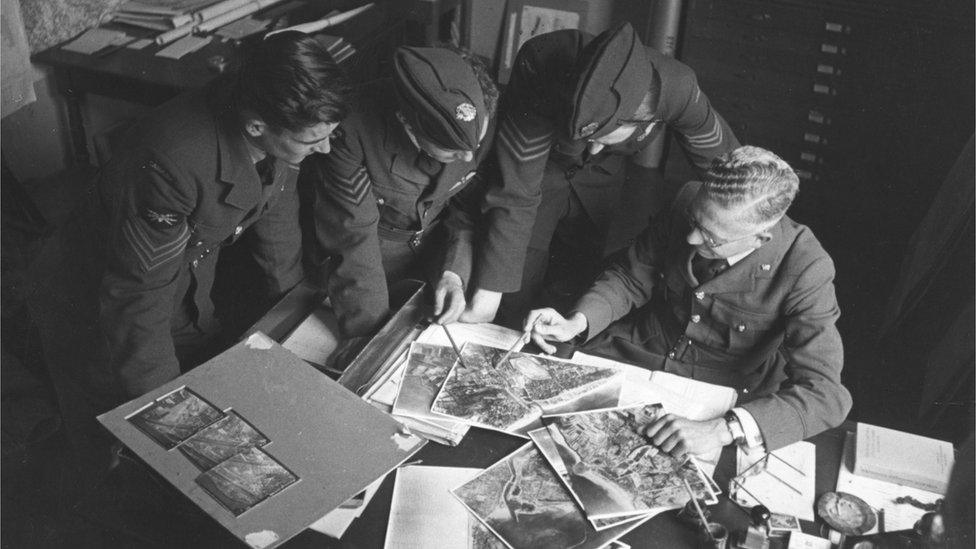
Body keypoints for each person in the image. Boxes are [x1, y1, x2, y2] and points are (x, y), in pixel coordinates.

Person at [525, 146, 852, 454]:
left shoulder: (804, 266)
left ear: (760, 238)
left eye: (711, 237)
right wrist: (577, 322)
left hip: (718, 390)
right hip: (636, 353)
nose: (691, 238)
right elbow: (631, 276)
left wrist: (721, 430)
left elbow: (824, 394)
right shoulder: (689, 198)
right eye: (695, 221)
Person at [97, 33, 350, 398]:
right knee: (119, 434)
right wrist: (161, 405)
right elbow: (138, 294)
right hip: (104, 311)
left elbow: (276, 218)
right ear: (256, 127)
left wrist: (293, 320)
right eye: (311, 142)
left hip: (186, 288)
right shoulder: (171, 164)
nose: (324, 148)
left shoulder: (279, 119)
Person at [449, 21, 739, 327]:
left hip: (602, 178)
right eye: (590, 138)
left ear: (648, 120)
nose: (593, 148)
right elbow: (516, 191)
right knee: (518, 281)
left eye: (604, 138)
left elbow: (733, 174)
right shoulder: (540, 63)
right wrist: (486, 301)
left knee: (578, 273)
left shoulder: (678, 88)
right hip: (543, 165)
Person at [304, 45, 498, 339]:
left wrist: (452, 274)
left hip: (430, 264)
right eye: (452, 149)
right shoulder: (352, 128)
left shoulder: (478, 115)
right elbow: (353, 236)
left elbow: (463, 209)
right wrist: (370, 342)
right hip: (362, 274)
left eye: (475, 144)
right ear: (407, 122)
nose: (468, 158)